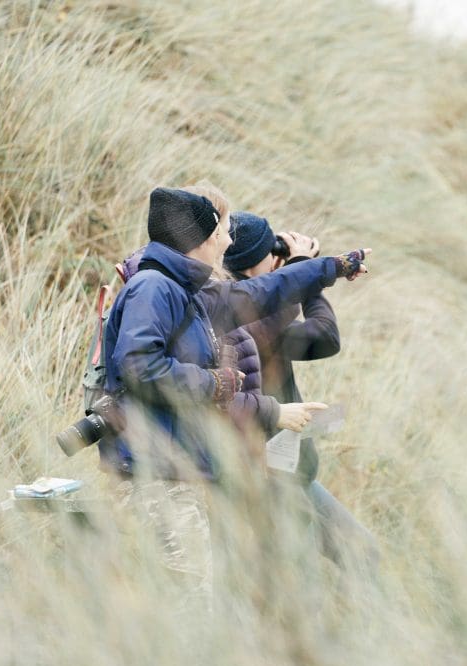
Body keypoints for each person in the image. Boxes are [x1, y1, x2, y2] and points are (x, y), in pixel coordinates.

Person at [100, 184, 370, 607]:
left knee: (210, 609)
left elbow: (263, 293)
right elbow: (140, 368)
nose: (228, 241)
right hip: (161, 476)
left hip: (184, 473)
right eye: (223, 231)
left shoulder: (186, 291)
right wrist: (222, 386)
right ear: (203, 238)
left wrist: (328, 268)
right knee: (194, 613)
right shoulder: (155, 289)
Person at [224, 211, 379, 573]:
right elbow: (325, 337)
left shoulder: (245, 306)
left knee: (363, 553)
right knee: (300, 594)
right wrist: (303, 274)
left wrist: (301, 274)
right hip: (274, 483)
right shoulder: (253, 323)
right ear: (251, 268)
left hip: (293, 475)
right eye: (272, 253)